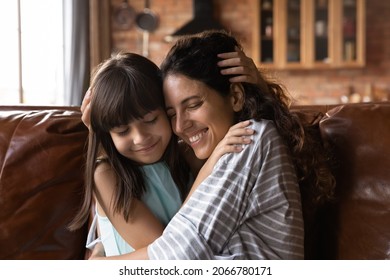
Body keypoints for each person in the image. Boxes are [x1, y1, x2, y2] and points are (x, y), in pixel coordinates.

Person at [89, 30, 335, 260]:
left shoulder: (248, 139)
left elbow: (177, 256)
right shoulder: (210, 152)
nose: (180, 126)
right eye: (172, 113)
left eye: (193, 105)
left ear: (236, 97)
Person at [69, 50, 259, 256]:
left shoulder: (184, 155)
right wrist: (210, 165)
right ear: (108, 133)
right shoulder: (105, 175)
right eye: (122, 131)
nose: (140, 138)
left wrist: (257, 83)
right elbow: (167, 250)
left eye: (151, 120)